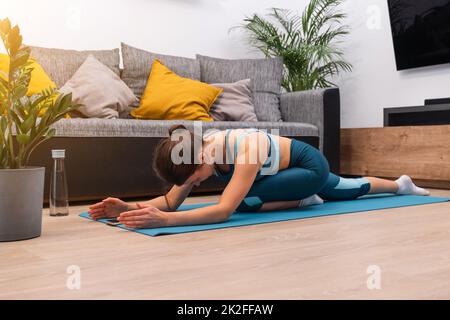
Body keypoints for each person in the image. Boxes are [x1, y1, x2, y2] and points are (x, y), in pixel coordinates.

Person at [88, 125, 430, 229]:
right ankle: (401, 184)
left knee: (243, 204)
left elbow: (222, 211)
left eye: (195, 178)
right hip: (288, 173)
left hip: (309, 165)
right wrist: (127, 207)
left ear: (203, 156)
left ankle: (302, 197)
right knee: (345, 189)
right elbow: (170, 200)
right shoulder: (194, 155)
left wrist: (163, 221)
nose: (196, 182)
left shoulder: (245, 148)